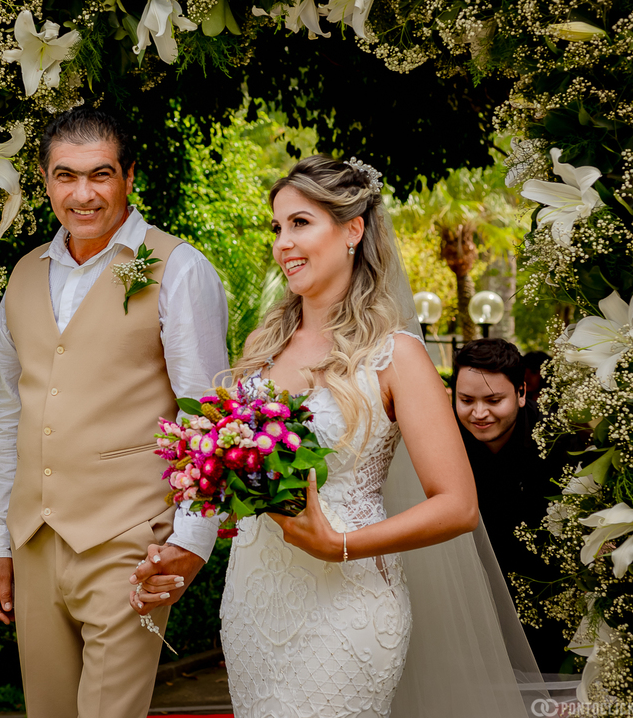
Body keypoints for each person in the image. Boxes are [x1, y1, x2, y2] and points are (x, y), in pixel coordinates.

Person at [134, 155, 536, 717]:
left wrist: (337, 545)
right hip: (254, 601)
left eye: (300, 223)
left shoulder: (397, 355)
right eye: (277, 227)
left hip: (349, 610)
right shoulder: (261, 350)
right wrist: (203, 531)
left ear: (352, 230)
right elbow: (249, 489)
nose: (283, 243)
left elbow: (459, 506)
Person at [0, 107, 229, 718]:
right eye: (66, 176)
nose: (83, 194)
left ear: (129, 177)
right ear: (44, 181)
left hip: (129, 543)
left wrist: (190, 544)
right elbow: (10, 415)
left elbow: (206, 420)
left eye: (100, 175)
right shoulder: (23, 275)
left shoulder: (179, 268)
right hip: (34, 542)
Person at [452, 338, 571, 671]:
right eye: (465, 400)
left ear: (521, 393)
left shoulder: (559, 442)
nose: (478, 413)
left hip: (544, 607)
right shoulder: (443, 439)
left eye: (493, 400)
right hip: (467, 602)